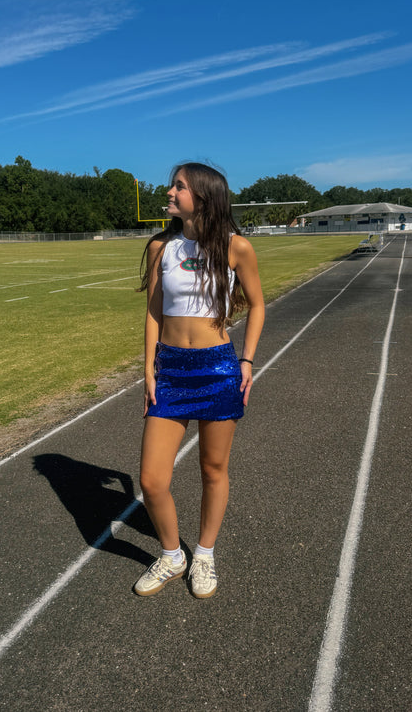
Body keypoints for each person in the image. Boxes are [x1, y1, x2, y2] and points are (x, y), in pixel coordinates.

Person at [134, 162, 265, 599]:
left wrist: (246, 360)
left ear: (203, 197)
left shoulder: (236, 247)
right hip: (169, 370)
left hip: (217, 368)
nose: (169, 192)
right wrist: (149, 367)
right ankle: (173, 556)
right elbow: (154, 311)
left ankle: (204, 554)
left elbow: (259, 305)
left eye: (179, 186)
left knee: (213, 469)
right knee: (152, 480)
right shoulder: (160, 247)